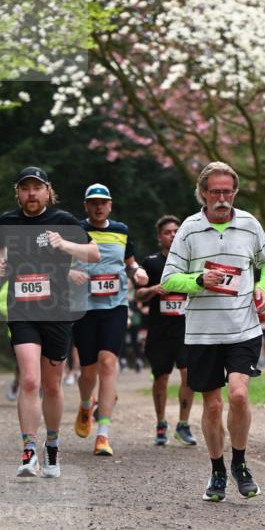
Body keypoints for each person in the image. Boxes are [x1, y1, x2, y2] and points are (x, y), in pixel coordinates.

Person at [161, 161, 265, 501]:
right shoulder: (189, 229)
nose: (222, 198)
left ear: (234, 193)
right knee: (212, 407)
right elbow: (168, 280)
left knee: (239, 395)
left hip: (243, 327)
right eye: (216, 192)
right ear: (203, 193)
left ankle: (240, 463)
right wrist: (198, 280)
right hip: (202, 333)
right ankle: (217, 471)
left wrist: (263, 289)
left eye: (228, 191)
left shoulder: (249, 224)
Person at [0, 166, 100, 478]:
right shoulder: (7, 221)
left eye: (36, 188)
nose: (31, 193)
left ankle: (51, 447)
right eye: (25, 188)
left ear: (46, 191)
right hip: (22, 308)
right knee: (29, 380)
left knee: (52, 385)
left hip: (56, 311)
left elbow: (93, 253)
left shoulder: (64, 221)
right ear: (18, 193)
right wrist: (1, 264)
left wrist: (65, 246)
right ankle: (28, 451)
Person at [69, 183, 147, 457]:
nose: (99, 206)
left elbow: (130, 261)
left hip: (115, 305)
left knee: (108, 362)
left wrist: (138, 272)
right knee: (88, 372)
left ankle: (103, 435)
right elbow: (56, 262)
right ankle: (84, 404)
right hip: (84, 307)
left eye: (103, 202)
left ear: (110, 205)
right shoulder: (75, 230)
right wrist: (69, 274)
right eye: (93, 202)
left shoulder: (121, 230)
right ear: (86, 206)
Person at [137, 215, 197, 447]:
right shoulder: (151, 262)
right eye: (167, 232)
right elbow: (138, 295)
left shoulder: (190, 260)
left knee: (188, 376)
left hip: (185, 328)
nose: (172, 235)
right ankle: (161, 423)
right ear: (159, 236)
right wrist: (154, 288)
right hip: (159, 330)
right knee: (161, 378)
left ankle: (183, 424)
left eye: (176, 231)